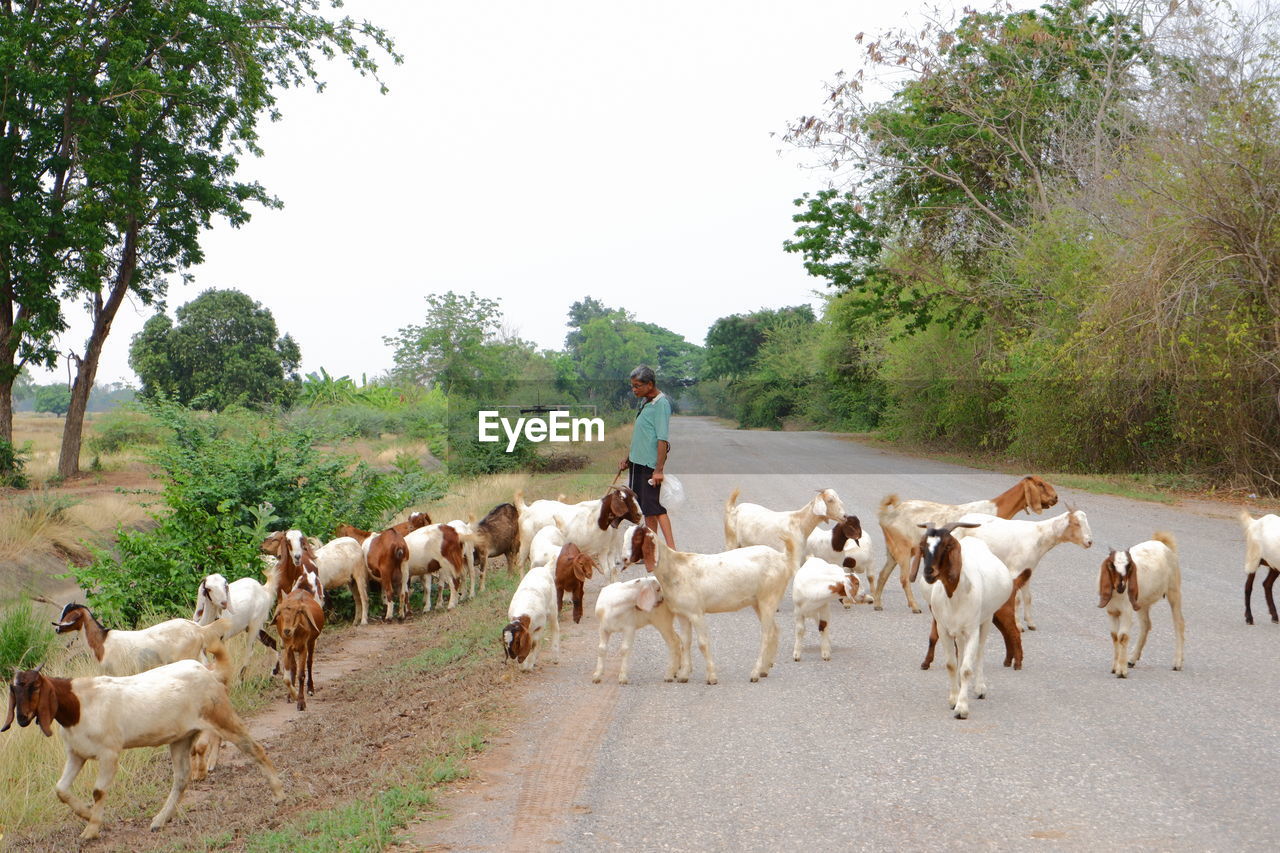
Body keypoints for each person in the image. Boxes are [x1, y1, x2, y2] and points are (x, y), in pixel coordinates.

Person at [618, 365, 675, 547]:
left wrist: (658, 470)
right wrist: (628, 459)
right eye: (632, 386)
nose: (634, 390)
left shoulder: (661, 404)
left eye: (637, 386)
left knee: (655, 508)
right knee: (646, 509)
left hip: (650, 466)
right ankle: (652, 547)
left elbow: (662, 439)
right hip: (637, 463)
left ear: (649, 384)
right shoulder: (645, 403)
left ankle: (672, 550)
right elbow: (642, 437)